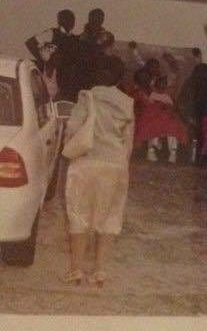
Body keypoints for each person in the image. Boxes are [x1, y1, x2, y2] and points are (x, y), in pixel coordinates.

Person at [63, 55, 134, 287]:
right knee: (110, 217)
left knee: (79, 215)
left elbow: (72, 129)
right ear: (119, 78)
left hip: (85, 164)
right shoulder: (127, 102)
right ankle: (100, 271)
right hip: (115, 165)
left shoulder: (87, 97)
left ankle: (76, 270)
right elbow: (128, 143)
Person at [132, 67, 189, 163]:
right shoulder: (137, 93)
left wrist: (168, 108)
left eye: (147, 78)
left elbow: (172, 106)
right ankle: (152, 149)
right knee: (152, 126)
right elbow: (140, 108)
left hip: (164, 117)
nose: (145, 81)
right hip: (148, 117)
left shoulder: (160, 94)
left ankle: (172, 152)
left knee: (173, 126)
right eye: (143, 78)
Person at [26, 9, 83, 102]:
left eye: (72, 19)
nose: (70, 22)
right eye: (66, 19)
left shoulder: (75, 39)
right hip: (51, 75)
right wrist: (43, 59)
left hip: (66, 77)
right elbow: (30, 43)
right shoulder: (52, 33)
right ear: (60, 21)